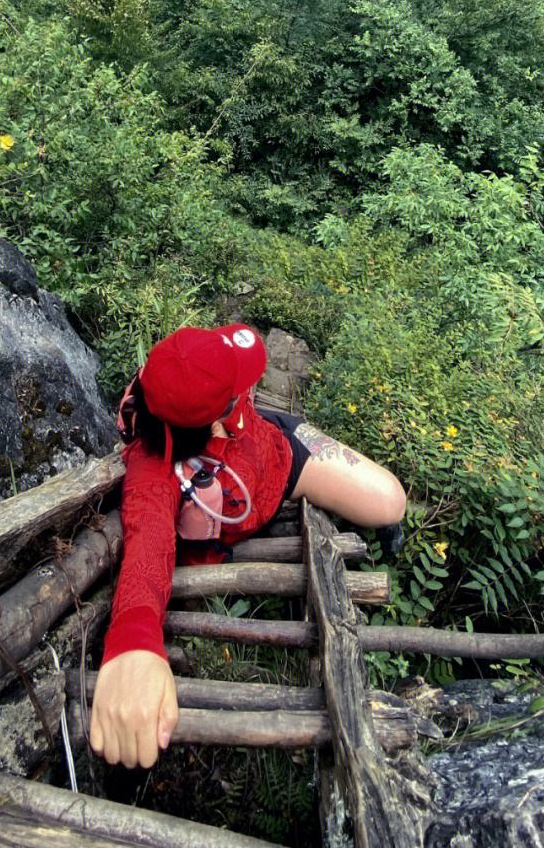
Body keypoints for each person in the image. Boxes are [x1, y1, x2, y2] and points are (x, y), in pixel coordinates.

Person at [89, 323, 407, 769]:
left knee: (390, 501)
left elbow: (237, 341)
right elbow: (147, 544)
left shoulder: (178, 368)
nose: (248, 384)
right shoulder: (153, 470)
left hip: (282, 447)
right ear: (216, 417)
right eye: (237, 391)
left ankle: (386, 527)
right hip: (262, 481)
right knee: (387, 501)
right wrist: (133, 642)